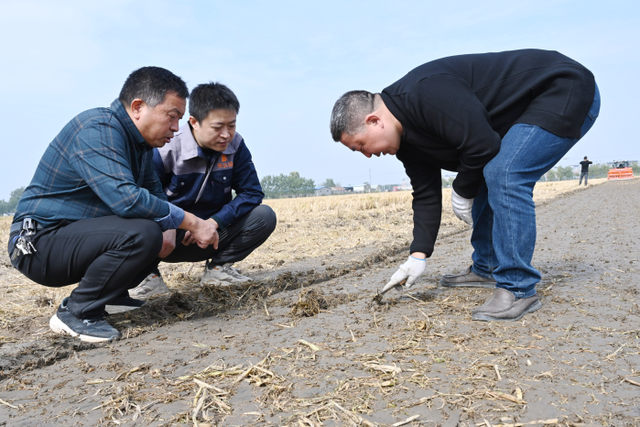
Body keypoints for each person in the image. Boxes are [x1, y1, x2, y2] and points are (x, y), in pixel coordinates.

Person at [330, 49, 600, 321]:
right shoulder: (407, 145)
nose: (367, 155)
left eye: (361, 146)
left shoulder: (425, 92)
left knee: (504, 172)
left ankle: (518, 288)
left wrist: (461, 190)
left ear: (374, 121)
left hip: (563, 88)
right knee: (487, 170)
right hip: (524, 109)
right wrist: (417, 256)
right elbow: (426, 195)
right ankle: (487, 266)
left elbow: (483, 145)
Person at [8, 67, 219, 342]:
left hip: (75, 236)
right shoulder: (97, 128)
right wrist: (191, 222)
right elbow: (128, 200)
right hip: (38, 243)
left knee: (159, 227)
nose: (177, 128)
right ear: (138, 107)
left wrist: (170, 228)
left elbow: (153, 190)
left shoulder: (140, 144)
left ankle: (113, 294)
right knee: (144, 232)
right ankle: (76, 312)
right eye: (172, 116)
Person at [127, 82, 276, 300]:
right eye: (217, 127)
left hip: (211, 234)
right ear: (194, 122)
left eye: (232, 125)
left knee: (264, 216)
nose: (226, 135)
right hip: (168, 237)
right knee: (134, 219)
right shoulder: (167, 148)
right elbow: (142, 196)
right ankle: (148, 278)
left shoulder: (236, 146)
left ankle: (218, 270)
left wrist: (214, 222)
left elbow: (251, 193)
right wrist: (173, 222)